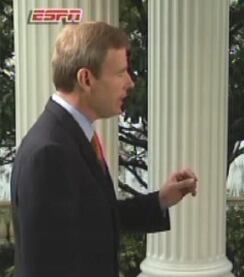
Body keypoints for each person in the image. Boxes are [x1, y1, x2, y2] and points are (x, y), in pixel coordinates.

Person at [10, 22, 198, 276]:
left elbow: (96, 218)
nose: (130, 83)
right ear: (86, 79)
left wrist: (161, 200)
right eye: (120, 73)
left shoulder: (72, 136)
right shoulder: (49, 153)